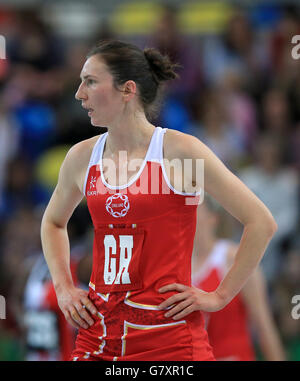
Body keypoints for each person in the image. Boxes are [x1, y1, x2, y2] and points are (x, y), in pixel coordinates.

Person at [40, 40, 277, 361]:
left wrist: (220, 295)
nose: (79, 93)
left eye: (91, 82)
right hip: (99, 336)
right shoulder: (81, 157)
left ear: (127, 90)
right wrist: (64, 287)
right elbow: (53, 222)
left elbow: (260, 221)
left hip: (168, 339)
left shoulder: (180, 152)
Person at [192, 195, 286, 361]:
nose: (189, 215)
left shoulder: (233, 257)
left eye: (195, 209)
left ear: (213, 218)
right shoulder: (176, 267)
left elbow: (263, 324)